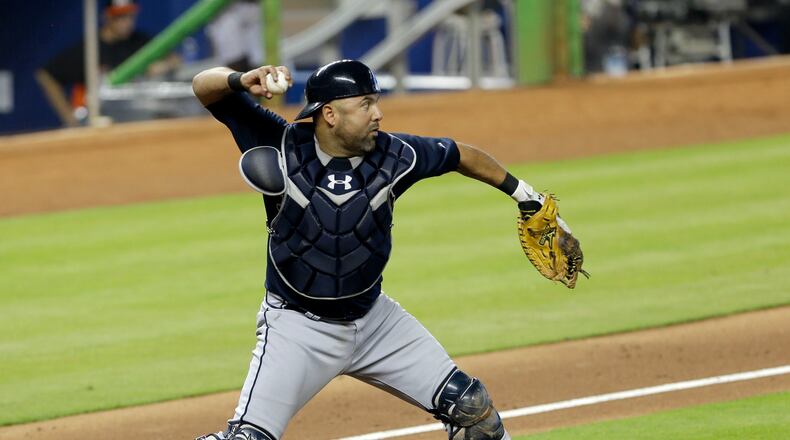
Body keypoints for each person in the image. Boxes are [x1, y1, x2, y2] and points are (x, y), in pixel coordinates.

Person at [191, 59, 580, 440]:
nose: (378, 114)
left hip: (376, 322)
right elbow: (203, 88)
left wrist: (526, 196)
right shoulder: (278, 141)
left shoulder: (398, 155)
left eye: (375, 101)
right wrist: (242, 79)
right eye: (365, 104)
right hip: (297, 327)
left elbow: (462, 156)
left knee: (471, 411)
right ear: (329, 114)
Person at [35, 0, 180, 126]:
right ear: (107, 17)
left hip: (136, 116)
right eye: (119, 17)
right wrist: (69, 117)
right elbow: (46, 75)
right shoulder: (91, 49)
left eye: (129, 16)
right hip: (101, 120)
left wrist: (163, 66)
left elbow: (175, 59)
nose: (126, 22)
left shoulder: (140, 41)